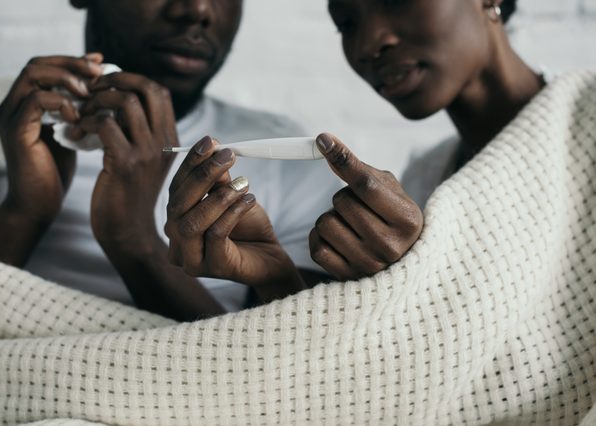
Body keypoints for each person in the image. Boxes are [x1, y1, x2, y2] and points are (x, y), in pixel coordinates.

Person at [0, 0, 342, 321]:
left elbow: (292, 365)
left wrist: (134, 239)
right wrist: (25, 210)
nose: (199, 9)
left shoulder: (288, 156)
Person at [165, 0, 542, 292]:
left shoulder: (585, 124)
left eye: (396, 0)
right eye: (347, 24)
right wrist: (275, 276)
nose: (368, 44)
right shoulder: (426, 181)